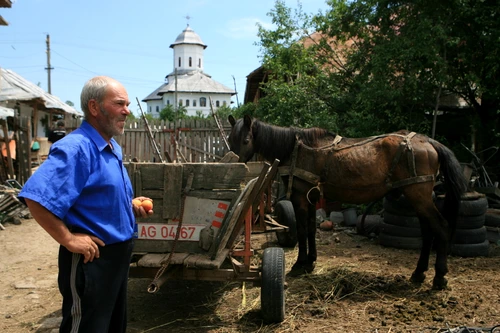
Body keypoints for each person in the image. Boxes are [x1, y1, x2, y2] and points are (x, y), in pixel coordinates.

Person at [18, 76, 153, 333]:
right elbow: (35, 197)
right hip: (92, 262)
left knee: (112, 326)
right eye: (119, 103)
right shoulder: (76, 148)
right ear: (94, 107)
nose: (127, 110)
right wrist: (69, 239)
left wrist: (127, 204)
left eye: (127, 103)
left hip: (116, 257)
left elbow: (95, 193)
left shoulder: (111, 147)